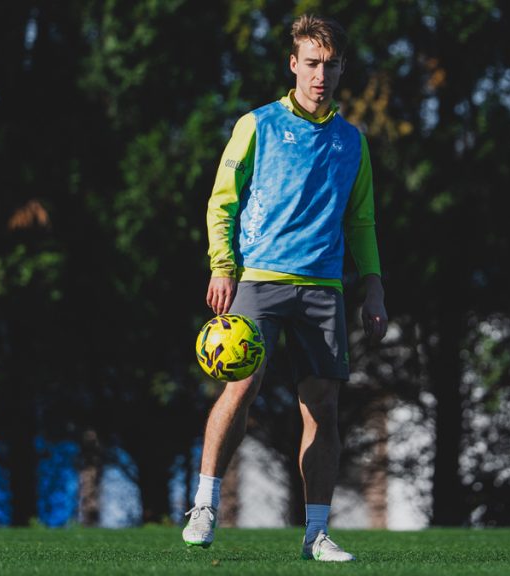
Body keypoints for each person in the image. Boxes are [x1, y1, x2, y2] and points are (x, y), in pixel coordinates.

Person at [182, 14, 387, 562]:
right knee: (241, 388)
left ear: (342, 68)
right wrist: (222, 265)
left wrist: (374, 288)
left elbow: (361, 221)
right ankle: (204, 505)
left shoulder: (351, 142)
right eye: (311, 63)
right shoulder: (257, 125)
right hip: (260, 278)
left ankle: (315, 534)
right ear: (293, 64)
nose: (320, 75)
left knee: (323, 408)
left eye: (330, 65)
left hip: (323, 289)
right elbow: (222, 199)